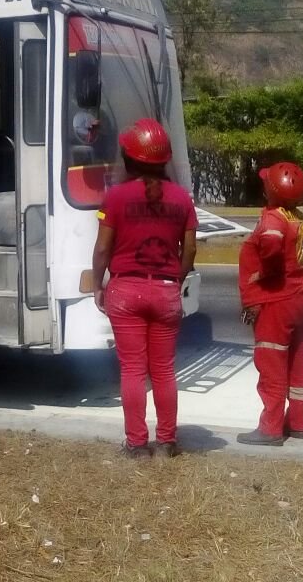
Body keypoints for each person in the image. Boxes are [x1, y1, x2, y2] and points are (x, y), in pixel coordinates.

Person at [91, 118, 198, 459]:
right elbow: (191, 250)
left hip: (126, 290)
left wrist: (98, 284)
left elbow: (103, 248)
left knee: (133, 370)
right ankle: (167, 441)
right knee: (164, 369)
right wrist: (175, 280)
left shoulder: (116, 197)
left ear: (128, 157)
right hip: (165, 291)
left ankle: (137, 444)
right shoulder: (182, 199)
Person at [236, 162, 303, 447]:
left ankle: (271, 428)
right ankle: (298, 423)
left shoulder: (274, 219)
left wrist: (268, 272)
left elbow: (271, 246)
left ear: (271, 190)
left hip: (276, 302)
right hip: (302, 303)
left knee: (271, 363)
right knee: (298, 362)